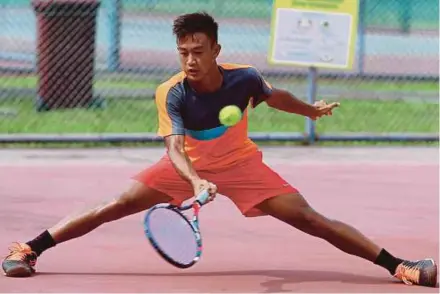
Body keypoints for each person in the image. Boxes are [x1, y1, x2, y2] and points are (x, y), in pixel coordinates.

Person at [2, 12, 437, 288]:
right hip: (186, 166)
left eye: (198, 51)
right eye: (182, 52)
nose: (190, 60)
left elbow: (273, 95)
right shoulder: (171, 92)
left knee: (310, 219)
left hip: (242, 164)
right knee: (113, 205)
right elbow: (174, 147)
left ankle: (400, 266)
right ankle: (29, 249)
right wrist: (194, 180)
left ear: (216, 50)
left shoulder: (243, 77)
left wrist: (309, 109)